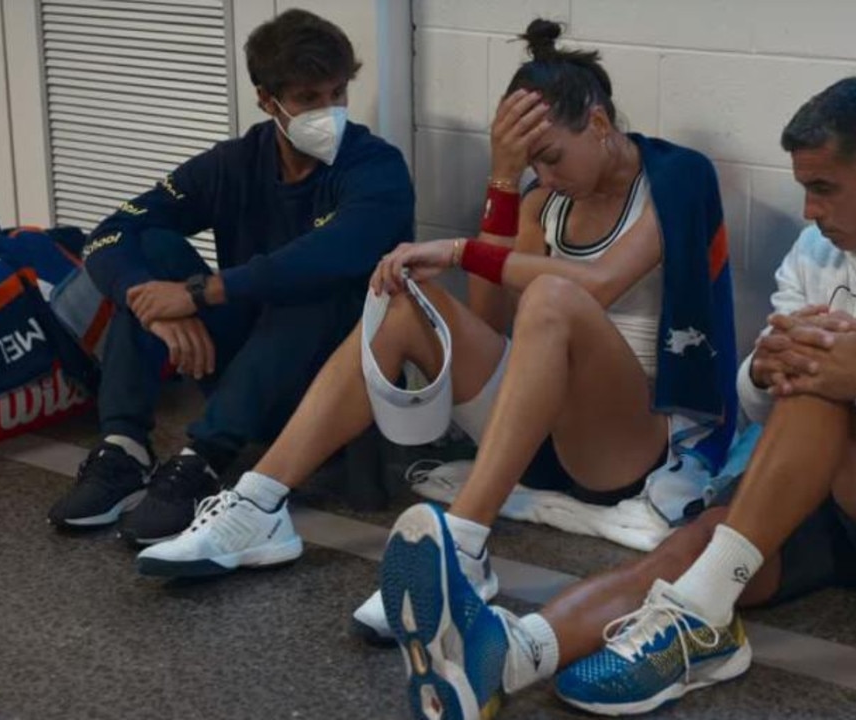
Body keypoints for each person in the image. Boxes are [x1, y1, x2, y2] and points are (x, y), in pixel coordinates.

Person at [380, 75, 856, 719]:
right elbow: (757, 406)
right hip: (822, 497)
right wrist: (760, 373)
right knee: (695, 548)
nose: (808, 211)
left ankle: (700, 617)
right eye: (804, 190)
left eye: (823, 189)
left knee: (822, 379)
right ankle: (509, 655)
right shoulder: (816, 253)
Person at [132, 16, 739, 646]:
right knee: (402, 300)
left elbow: (599, 284)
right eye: (533, 164)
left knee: (554, 294)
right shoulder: (542, 201)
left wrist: (459, 249)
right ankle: (258, 505)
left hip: (624, 441)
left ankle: (463, 549)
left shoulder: (677, 176)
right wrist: (503, 181)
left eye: (552, 157)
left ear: (602, 125)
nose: (548, 177)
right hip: (539, 427)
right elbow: (487, 321)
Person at [46, 9, 414, 546]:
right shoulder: (234, 163)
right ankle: (123, 449)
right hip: (249, 370)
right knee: (151, 252)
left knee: (313, 283)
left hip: (333, 388)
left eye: (338, 93)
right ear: (269, 102)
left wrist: (200, 293)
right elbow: (111, 232)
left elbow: (333, 254)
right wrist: (149, 303)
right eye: (310, 98)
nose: (330, 111)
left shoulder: (376, 166)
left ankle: (205, 460)